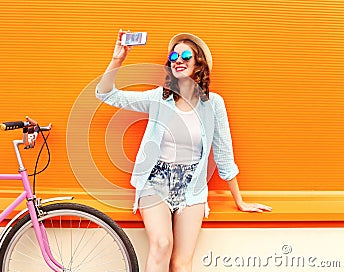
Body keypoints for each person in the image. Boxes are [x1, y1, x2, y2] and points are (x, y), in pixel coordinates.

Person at [96, 30, 272, 272]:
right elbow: (106, 94)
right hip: (156, 181)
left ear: (199, 63)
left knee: (181, 262)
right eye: (173, 55)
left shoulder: (214, 105)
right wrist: (118, 59)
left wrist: (239, 201)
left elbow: (224, 154)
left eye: (186, 55)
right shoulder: (159, 98)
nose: (178, 60)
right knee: (161, 244)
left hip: (193, 186)